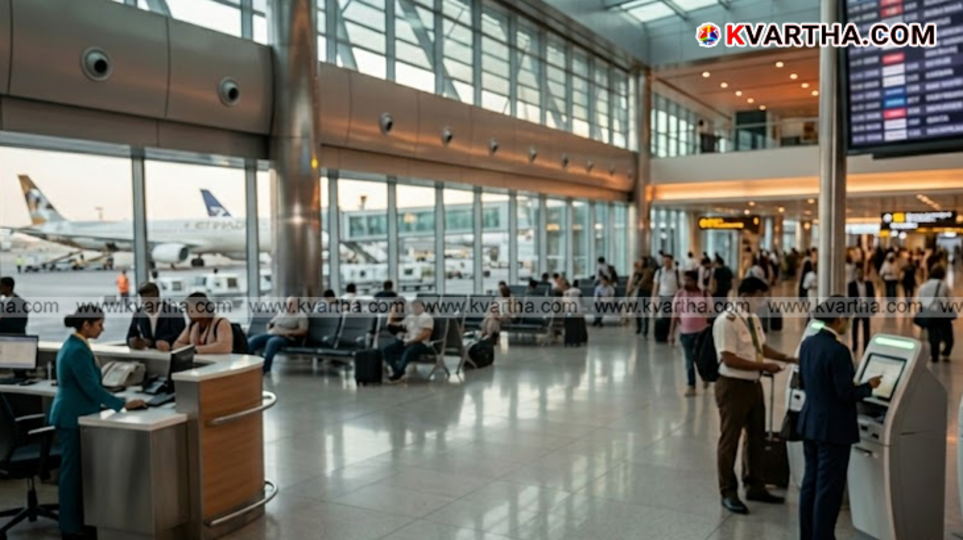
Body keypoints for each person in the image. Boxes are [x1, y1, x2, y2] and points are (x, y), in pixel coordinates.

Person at [50, 305, 146, 539]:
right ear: (87, 325)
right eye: (100, 324)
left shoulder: (77, 345)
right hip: (72, 417)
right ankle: (70, 528)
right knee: (71, 475)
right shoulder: (77, 350)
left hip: (78, 414)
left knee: (77, 473)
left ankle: (79, 521)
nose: (103, 329)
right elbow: (92, 388)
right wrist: (122, 403)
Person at [798, 296, 881, 540]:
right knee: (828, 490)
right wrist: (869, 386)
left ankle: (808, 535)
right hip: (833, 430)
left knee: (810, 484)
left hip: (810, 423)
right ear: (839, 319)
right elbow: (846, 394)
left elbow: (806, 381)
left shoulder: (807, 344)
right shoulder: (839, 350)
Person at [713, 277, 796, 515]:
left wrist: (786, 358)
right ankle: (728, 491)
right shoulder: (726, 321)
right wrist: (764, 367)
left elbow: (761, 349)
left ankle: (754, 484)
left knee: (756, 436)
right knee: (730, 439)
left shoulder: (753, 319)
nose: (763, 301)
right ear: (746, 295)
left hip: (753, 384)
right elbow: (728, 358)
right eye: (760, 296)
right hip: (732, 386)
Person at [670, 270, 710, 396]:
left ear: (695, 281)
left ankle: (705, 377)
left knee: (701, 358)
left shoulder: (704, 294)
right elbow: (674, 314)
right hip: (685, 332)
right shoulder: (680, 294)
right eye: (685, 280)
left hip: (701, 332)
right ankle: (691, 385)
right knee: (689, 359)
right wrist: (671, 333)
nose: (686, 282)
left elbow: (710, 312)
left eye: (689, 280)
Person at [247, 297, 308, 373]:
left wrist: (289, 332)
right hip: (273, 333)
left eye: (292, 304)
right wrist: (269, 325)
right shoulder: (282, 312)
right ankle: (247, 365)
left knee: (272, 342)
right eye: (288, 303)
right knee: (253, 340)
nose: (289, 306)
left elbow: (303, 331)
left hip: (287, 337)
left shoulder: (301, 315)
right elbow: (272, 322)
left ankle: (265, 368)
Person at [382, 299, 434, 383]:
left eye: (417, 306)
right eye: (413, 307)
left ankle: (398, 373)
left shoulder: (427, 318)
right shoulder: (410, 317)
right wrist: (392, 314)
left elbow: (426, 333)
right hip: (407, 341)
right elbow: (396, 324)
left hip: (421, 343)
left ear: (422, 307)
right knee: (387, 350)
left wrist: (412, 341)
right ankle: (398, 371)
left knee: (409, 350)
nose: (415, 308)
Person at [126, 282, 186, 352]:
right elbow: (130, 335)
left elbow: (180, 336)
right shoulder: (139, 314)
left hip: (168, 353)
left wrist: (155, 342)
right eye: (144, 300)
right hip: (147, 355)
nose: (147, 303)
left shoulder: (174, 313)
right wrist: (132, 341)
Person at [918, 265, 954, 363]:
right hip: (942, 312)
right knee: (947, 332)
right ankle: (946, 352)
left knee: (933, 333)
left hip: (929, 312)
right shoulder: (943, 285)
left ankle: (934, 355)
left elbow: (920, 300)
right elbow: (950, 299)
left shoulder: (923, 286)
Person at [847, 267, 876, 354]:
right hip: (857, 309)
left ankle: (866, 345)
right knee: (855, 327)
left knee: (866, 328)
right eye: (858, 273)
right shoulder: (851, 285)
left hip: (865, 308)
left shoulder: (869, 284)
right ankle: (854, 345)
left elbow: (872, 297)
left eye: (861, 273)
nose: (859, 275)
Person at [652, 254, 681, 319]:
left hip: (674, 297)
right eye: (665, 262)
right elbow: (655, 286)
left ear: (671, 261)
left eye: (668, 261)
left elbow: (680, 285)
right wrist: (654, 298)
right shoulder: (659, 272)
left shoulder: (676, 272)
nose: (666, 263)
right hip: (663, 297)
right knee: (665, 316)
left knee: (673, 316)